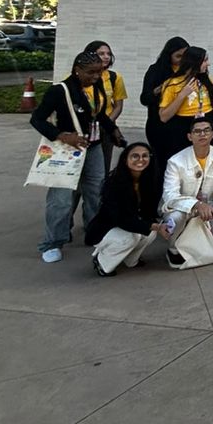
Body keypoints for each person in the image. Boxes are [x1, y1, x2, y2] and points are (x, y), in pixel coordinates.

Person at [31, 50, 123, 264]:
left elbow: (97, 114)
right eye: (91, 72)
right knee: (61, 199)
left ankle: (94, 230)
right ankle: (53, 242)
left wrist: (113, 129)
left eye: (99, 72)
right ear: (77, 70)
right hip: (66, 150)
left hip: (93, 147)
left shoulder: (95, 87)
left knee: (96, 191)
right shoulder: (59, 91)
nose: (96, 76)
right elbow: (37, 119)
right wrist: (62, 135)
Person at [160, 114, 213, 266]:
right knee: (174, 220)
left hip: (210, 207)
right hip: (182, 209)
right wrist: (196, 205)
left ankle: (202, 244)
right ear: (190, 136)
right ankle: (173, 249)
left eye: (206, 130)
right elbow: (170, 195)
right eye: (197, 131)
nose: (202, 134)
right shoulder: (175, 161)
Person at [85, 142, 165, 276]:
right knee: (131, 237)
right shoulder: (114, 183)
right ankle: (102, 263)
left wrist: (158, 225)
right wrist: (153, 225)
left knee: (150, 233)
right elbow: (120, 218)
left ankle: (131, 260)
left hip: (128, 224)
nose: (140, 160)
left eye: (145, 156)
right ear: (125, 159)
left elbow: (149, 212)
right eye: (135, 156)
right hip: (107, 228)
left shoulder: (151, 180)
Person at [155, 46, 213, 166]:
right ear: (194, 62)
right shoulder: (172, 84)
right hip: (185, 127)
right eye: (205, 60)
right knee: (187, 164)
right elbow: (164, 117)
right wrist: (182, 95)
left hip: (208, 123)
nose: (208, 64)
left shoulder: (206, 80)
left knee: (209, 162)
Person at [140, 36, 189, 147]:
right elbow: (144, 98)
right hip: (160, 124)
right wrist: (159, 90)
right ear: (169, 55)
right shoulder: (156, 70)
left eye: (185, 56)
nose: (182, 60)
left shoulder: (189, 71)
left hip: (183, 124)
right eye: (178, 56)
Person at [84, 40, 127, 122]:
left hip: (106, 122)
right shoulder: (77, 76)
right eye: (101, 54)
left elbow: (118, 106)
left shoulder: (115, 77)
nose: (106, 57)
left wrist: (107, 124)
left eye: (109, 54)